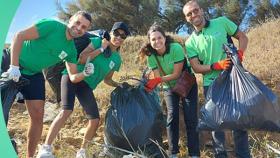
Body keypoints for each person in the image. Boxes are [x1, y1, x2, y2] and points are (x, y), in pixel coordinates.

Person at [2, 11, 93, 158]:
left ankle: (30, 156)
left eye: (83, 27)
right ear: (70, 20)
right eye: (77, 23)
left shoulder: (71, 50)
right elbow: (19, 36)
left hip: (34, 73)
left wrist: (86, 73)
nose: (79, 28)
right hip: (11, 62)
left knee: (38, 115)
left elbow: (74, 77)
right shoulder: (52, 26)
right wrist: (14, 66)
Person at [37, 22, 130, 158]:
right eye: (116, 33)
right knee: (66, 110)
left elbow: (107, 80)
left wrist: (119, 85)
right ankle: (46, 148)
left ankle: (82, 152)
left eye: (123, 36)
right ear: (111, 33)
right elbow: (81, 59)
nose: (119, 37)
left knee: (95, 120)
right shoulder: (98, 41)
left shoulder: (117, 59)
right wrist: (101, 49)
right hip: (72, 76)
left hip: (86, 86)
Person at [183, 1, 250, 158]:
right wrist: (216, 66)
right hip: (211, 84)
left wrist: (240, 53)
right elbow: (196, 67)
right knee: (216, 125)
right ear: (186, 19)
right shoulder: (190, 42)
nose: (194, 15)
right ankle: (220, 156)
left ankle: (243, 155)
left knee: (239, 122)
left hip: (233, 79)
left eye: (195, 10)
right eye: (189, 14)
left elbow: (242, 37)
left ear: (201, 10)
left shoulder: (222, 22)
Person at [140, 24, 200, 158]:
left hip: (186, 84)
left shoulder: (176, 48)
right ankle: (173, 152)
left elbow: (177, 74)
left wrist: (157, 80)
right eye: (153, 39)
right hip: (169, 87)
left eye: (159, 38)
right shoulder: (151, 57)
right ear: (150, 42)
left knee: (191, 118)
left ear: (165, 38)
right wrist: (150, 85)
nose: (157, 42)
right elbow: (157, 77)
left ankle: (194, 154)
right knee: (172, 117)